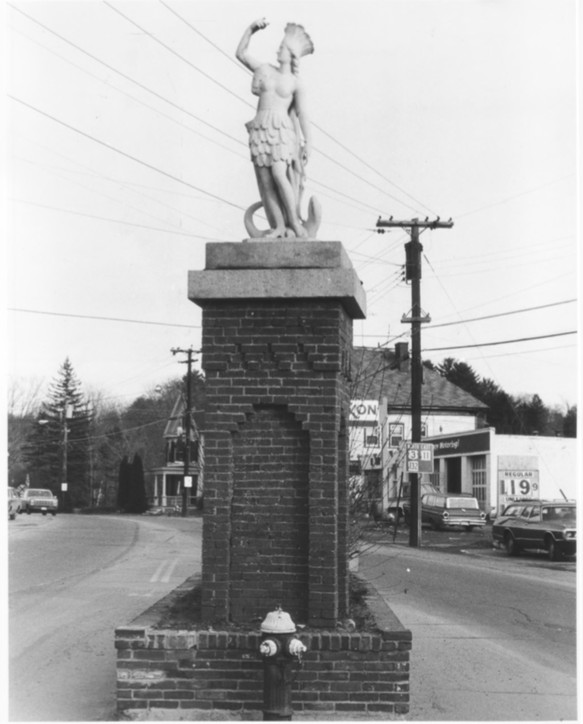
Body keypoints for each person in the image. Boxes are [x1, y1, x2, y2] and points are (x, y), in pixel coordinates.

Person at [236, 19, 317, 239]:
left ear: (291, 54)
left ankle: (294, 222)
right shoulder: (264, 69)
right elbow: (241, 54)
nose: (277, 50)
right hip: (261, 128)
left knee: (280, 175)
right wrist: (251, 29)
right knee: (265, 181)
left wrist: (308, 142)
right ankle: (278, 227)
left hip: (281, 130)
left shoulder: (296, 83)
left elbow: (302, 114)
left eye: (281, 47)